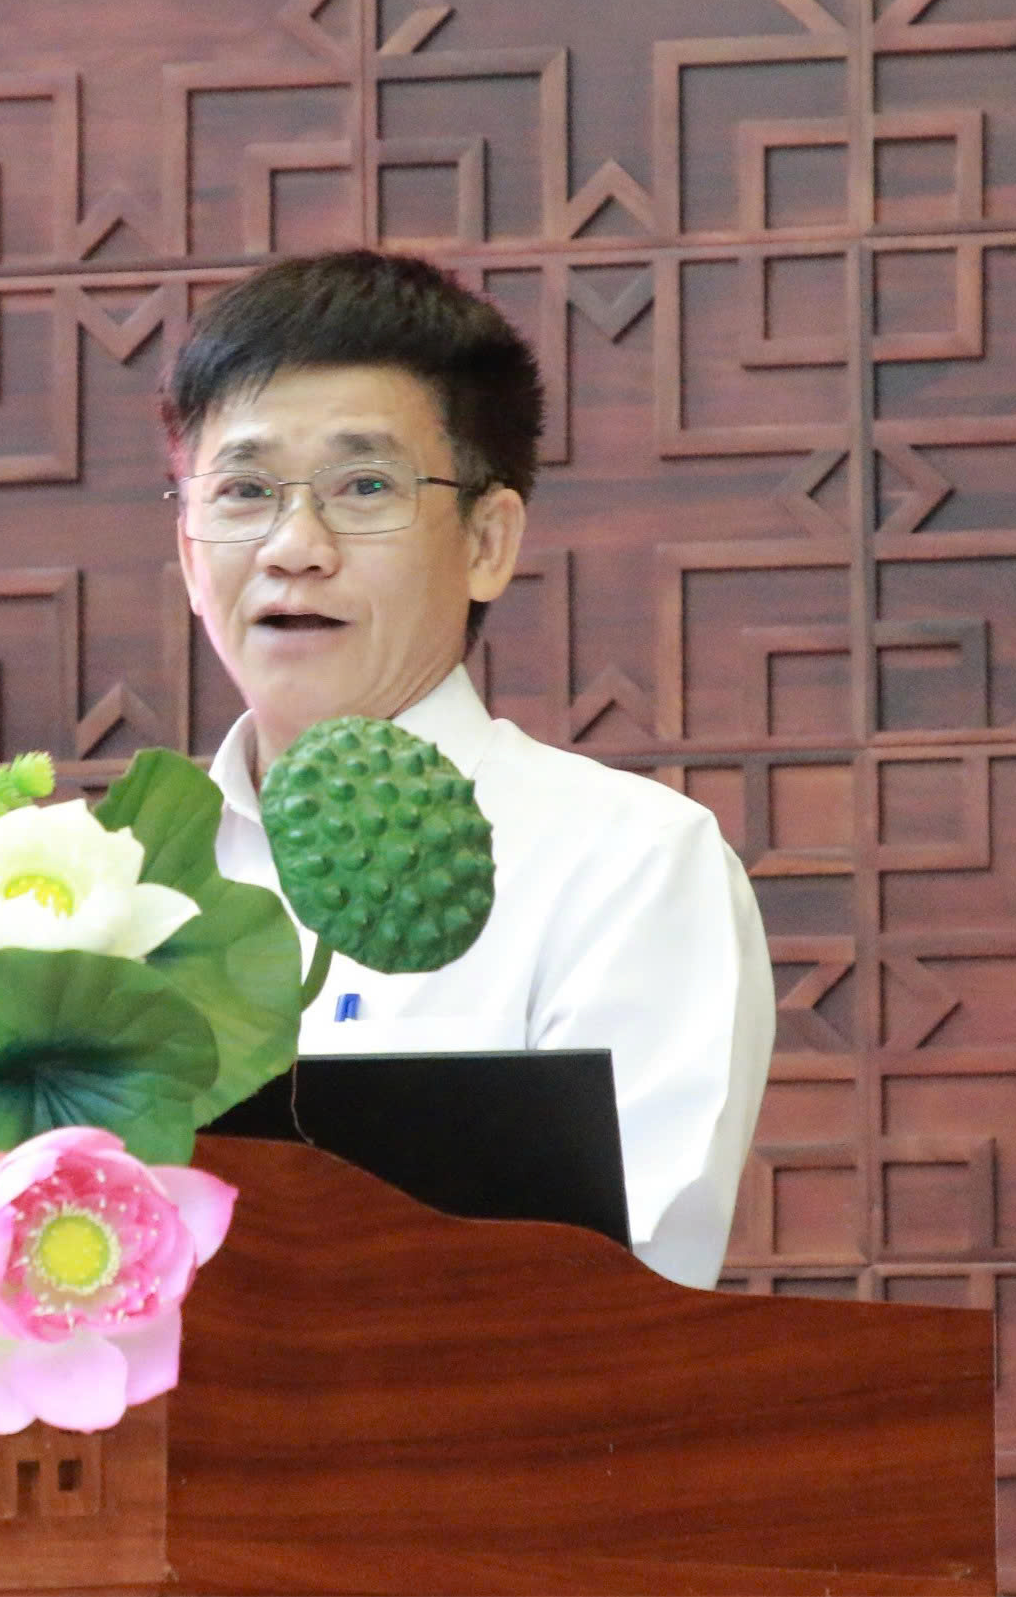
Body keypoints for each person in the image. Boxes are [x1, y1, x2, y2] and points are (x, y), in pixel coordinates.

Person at [165, 250, 774, 1289]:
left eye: (364, 486)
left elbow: (629, 1291)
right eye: (244, 491)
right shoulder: (106, 879)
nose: (293, 546)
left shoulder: (626, 864)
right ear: (189, 550)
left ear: (487, 540)